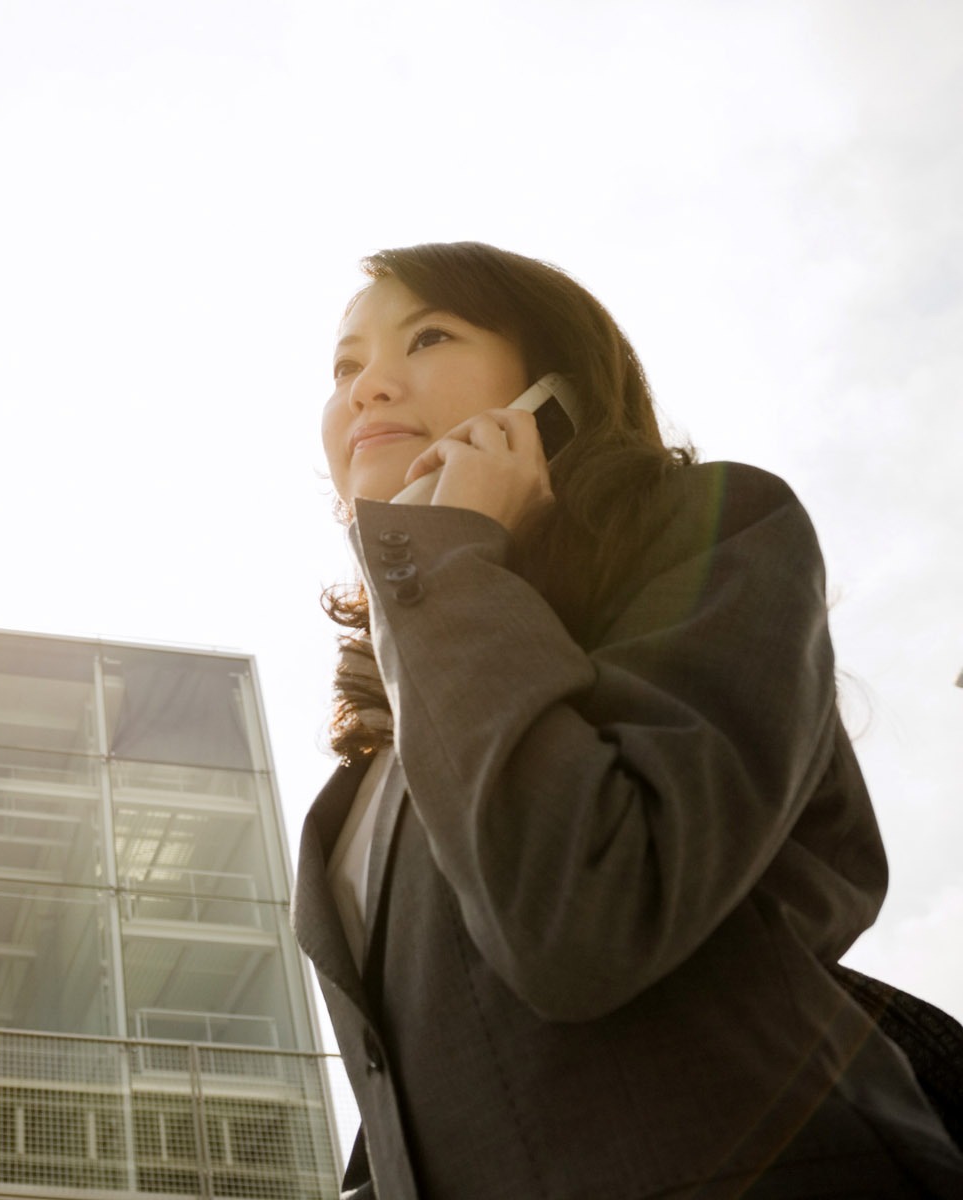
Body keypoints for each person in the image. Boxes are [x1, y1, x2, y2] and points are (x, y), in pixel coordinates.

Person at [291, 242, 963, 1199]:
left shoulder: (720, 530)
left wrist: (446, 564)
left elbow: (586, 913)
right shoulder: (380, 752)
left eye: (429, 335)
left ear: (555, 386)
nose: (367, 389)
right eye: (345, 366)